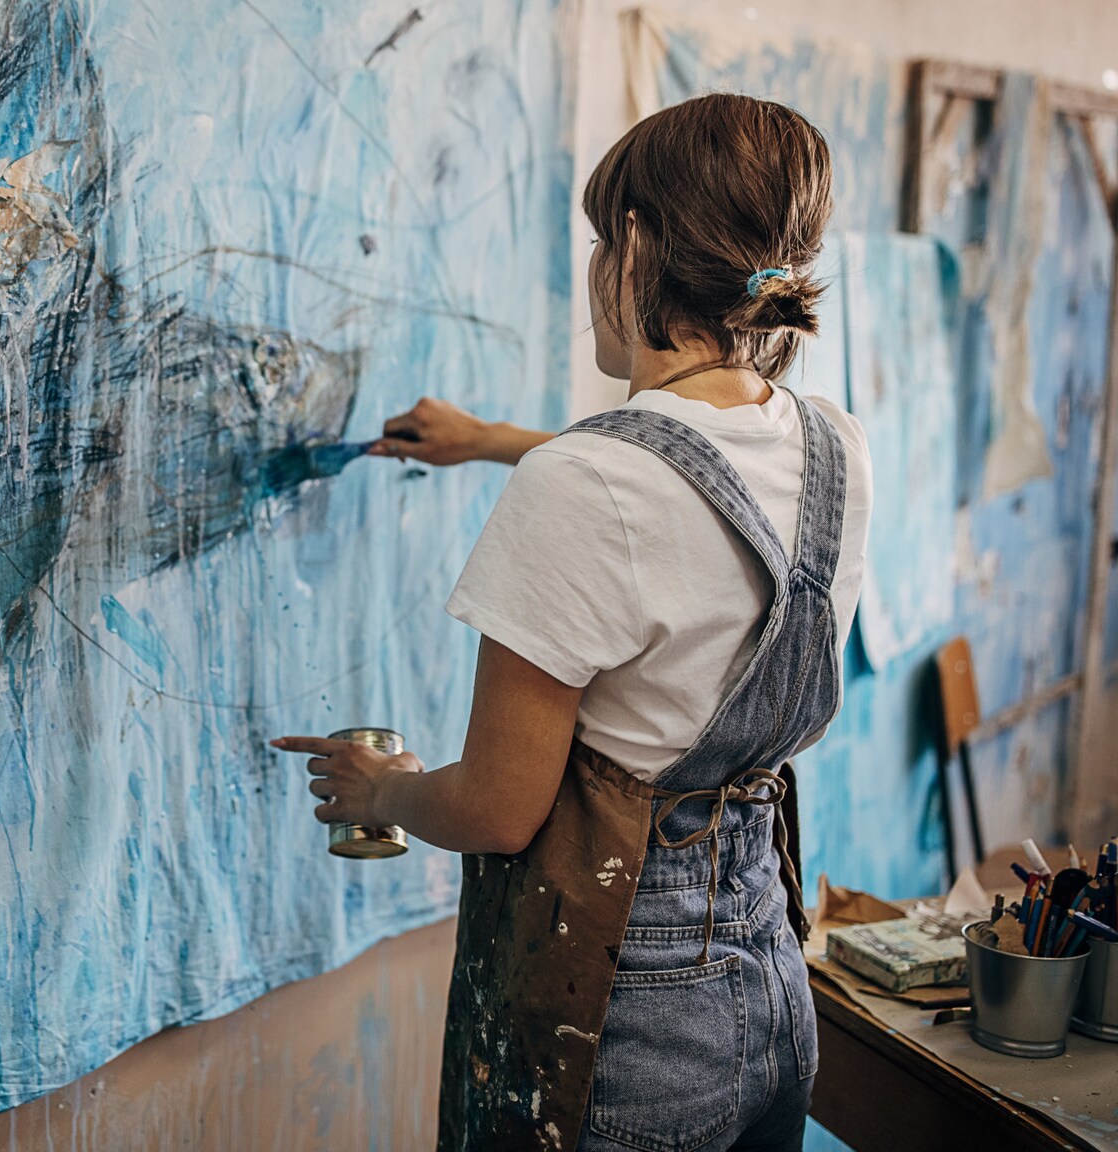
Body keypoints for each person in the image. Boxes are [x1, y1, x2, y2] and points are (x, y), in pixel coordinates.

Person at [273, 93, 872, 1152]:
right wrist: (496, 440)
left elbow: (501, 811)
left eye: (604, 238)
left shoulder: (580, 486)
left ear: (633, 244)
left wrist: (387, 790)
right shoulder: (831, 448)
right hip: (769, 978)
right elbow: (691, 500)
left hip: (618, 1007)